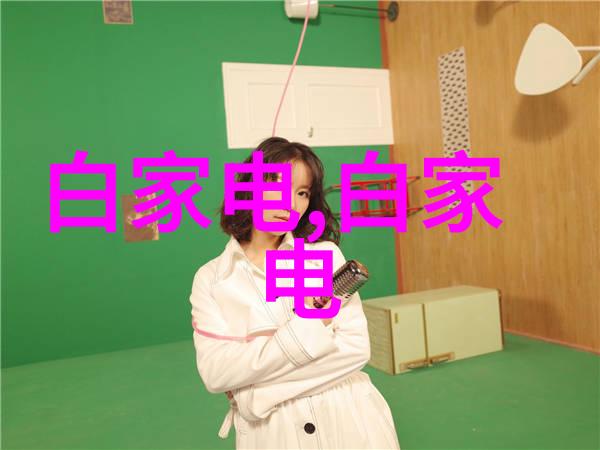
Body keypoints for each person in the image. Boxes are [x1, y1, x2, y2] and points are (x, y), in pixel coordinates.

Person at [189, 137, 401, 449]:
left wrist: (255, 395)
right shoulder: (211, 279)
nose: (290, 204)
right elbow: (217, 372)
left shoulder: (324, 257)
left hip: (350, 421)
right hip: (273, 436)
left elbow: (355, 350)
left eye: (302, 193)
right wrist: (313, 328)